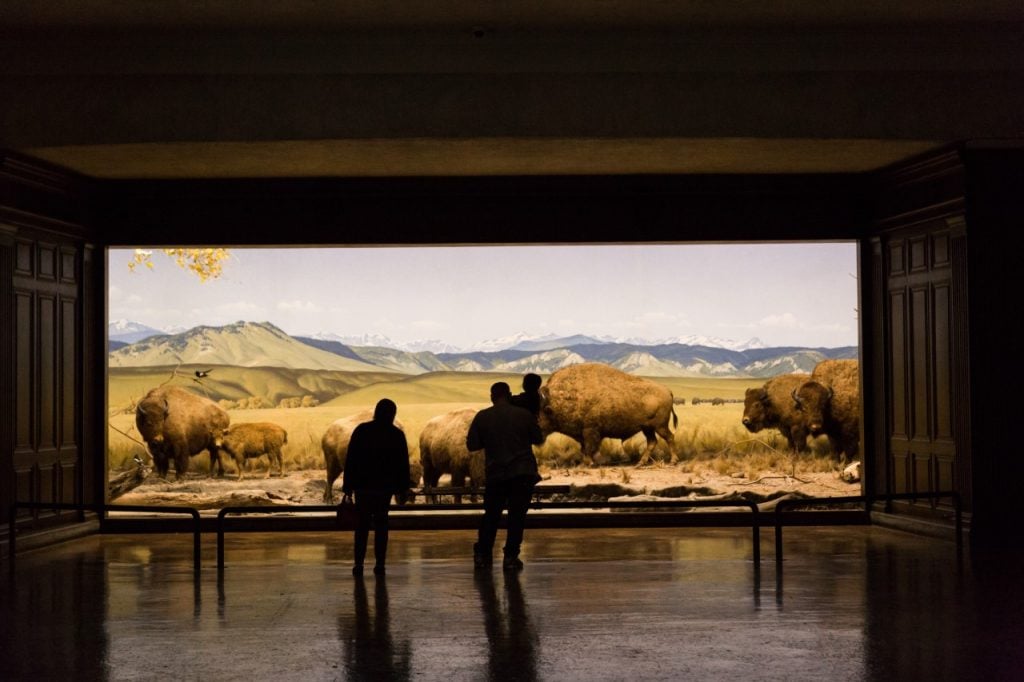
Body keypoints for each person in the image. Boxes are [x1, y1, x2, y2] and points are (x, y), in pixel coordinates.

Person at [467, 381, 545, 570]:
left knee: (491, 516)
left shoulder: (482, 417)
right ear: (509, 395)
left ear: (492, 397)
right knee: (517, 517)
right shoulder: (524, 415)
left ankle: (483, 554)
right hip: (522, 474)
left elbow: (472, 445)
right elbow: (539, 439)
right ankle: (510, 557)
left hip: (496, 475)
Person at [342, 398, 411, 577]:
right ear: (393, 414)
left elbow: (351, 459)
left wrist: (348, 485)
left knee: (362, 526)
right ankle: (380, 564)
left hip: (363, 488)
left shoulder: (362, 431)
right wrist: (403, 487)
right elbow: (403, 464)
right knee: (382, 525)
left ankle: (358, 565)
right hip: (384, 489)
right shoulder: (396, 434)